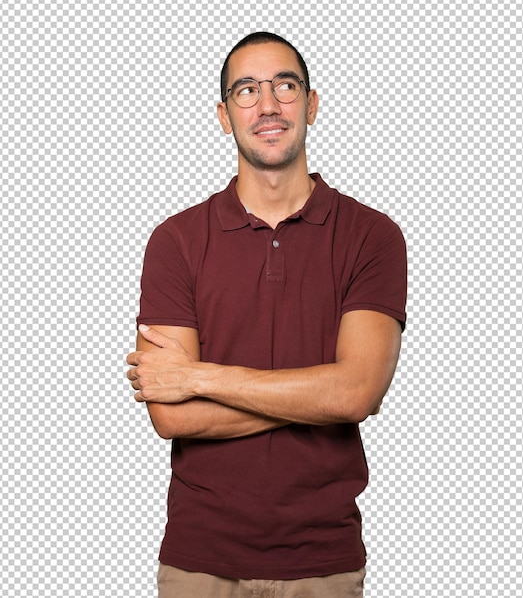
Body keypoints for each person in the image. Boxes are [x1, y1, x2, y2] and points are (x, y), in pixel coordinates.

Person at [126, 31, 407, 598]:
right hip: (199, 560)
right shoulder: (175, 241)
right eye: (246, 90)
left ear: (312, 103)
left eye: (285, 84)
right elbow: (170, 417)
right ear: (224, 116)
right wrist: (318, 397)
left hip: (324, 560)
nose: (268, 104)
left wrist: (200, 378)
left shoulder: (372, 236)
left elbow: (355, 394)